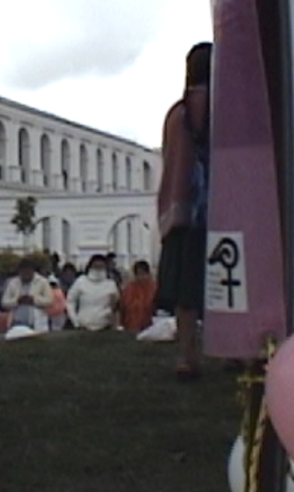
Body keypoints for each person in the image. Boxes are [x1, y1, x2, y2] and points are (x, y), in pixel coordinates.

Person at [156, 42, 212, 381]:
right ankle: (233, 351)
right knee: (224, 284)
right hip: (218, 212)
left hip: (182, 212)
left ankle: (186, 356)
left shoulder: (177, 114)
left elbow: (169, 160)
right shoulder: (226, 106)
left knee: (186, 294)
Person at [0, 255, 56, 332]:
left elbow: (50, 301)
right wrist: (17, 301)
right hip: (16, 323)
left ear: (33, 271)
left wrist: (34, 300)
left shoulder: (42, 282)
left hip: (36, 323)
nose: (25, 274)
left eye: (28, 271)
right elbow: (4, 302)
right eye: (23, 271)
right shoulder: (13, 283)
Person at [66, 254, 120, 331]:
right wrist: (75, 321)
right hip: (83, 327)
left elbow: (115, 307)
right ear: (90, 267)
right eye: (96, 266)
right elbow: (70, 301)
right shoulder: (81, 281)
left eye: (101, 267)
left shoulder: (111, 284)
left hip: (105, 328)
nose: (98, 269)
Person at [119, 261, 158, 333]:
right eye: (138, 274)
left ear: (148, 273)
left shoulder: (155, 288)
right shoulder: (128, 289)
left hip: (150, 328)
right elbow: (122, 308)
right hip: (130, 327)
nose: (141, 277)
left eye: (143, 274)